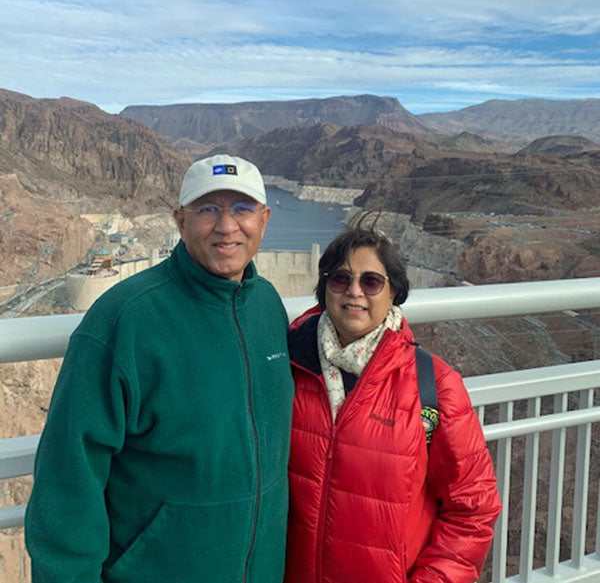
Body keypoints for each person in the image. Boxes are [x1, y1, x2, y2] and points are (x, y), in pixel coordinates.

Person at [25, 154, 295, 583]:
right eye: (208, 209)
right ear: (179, 219)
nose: (227, 226)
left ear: (264, 219)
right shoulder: (125, 320)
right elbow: (68, 478)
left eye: (242, 209)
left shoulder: (267, 308)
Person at [284, 215, 502, 583]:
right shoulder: (287, 364)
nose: (354, 292)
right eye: (340, 279)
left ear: (393, 292)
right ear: (325, 290)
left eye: (371, 281)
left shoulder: (434, 386)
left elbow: (473, 509)